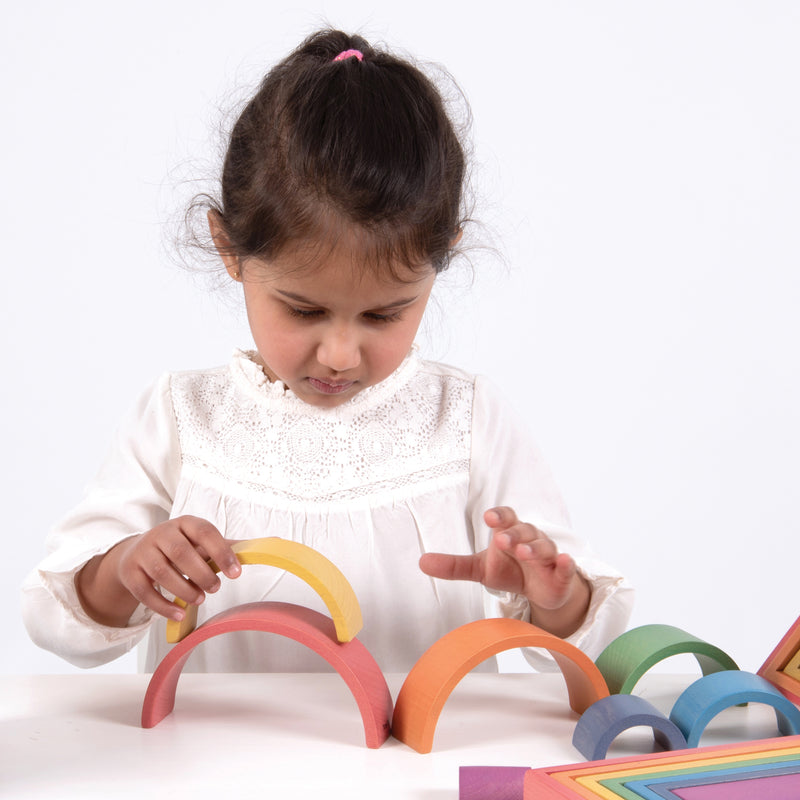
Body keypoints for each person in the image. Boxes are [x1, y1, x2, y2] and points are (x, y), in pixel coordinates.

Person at [22, 29, 633, 674]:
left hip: (413, 765)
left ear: (441, 260)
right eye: (304, 310)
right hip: (211, 767)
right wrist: (127, 568)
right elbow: (59, 617)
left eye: (383, 314)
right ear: (230, 249)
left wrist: (553, 597)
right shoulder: (181, 416)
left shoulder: (467, 417)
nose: (340, 353)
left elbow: (578, 640)